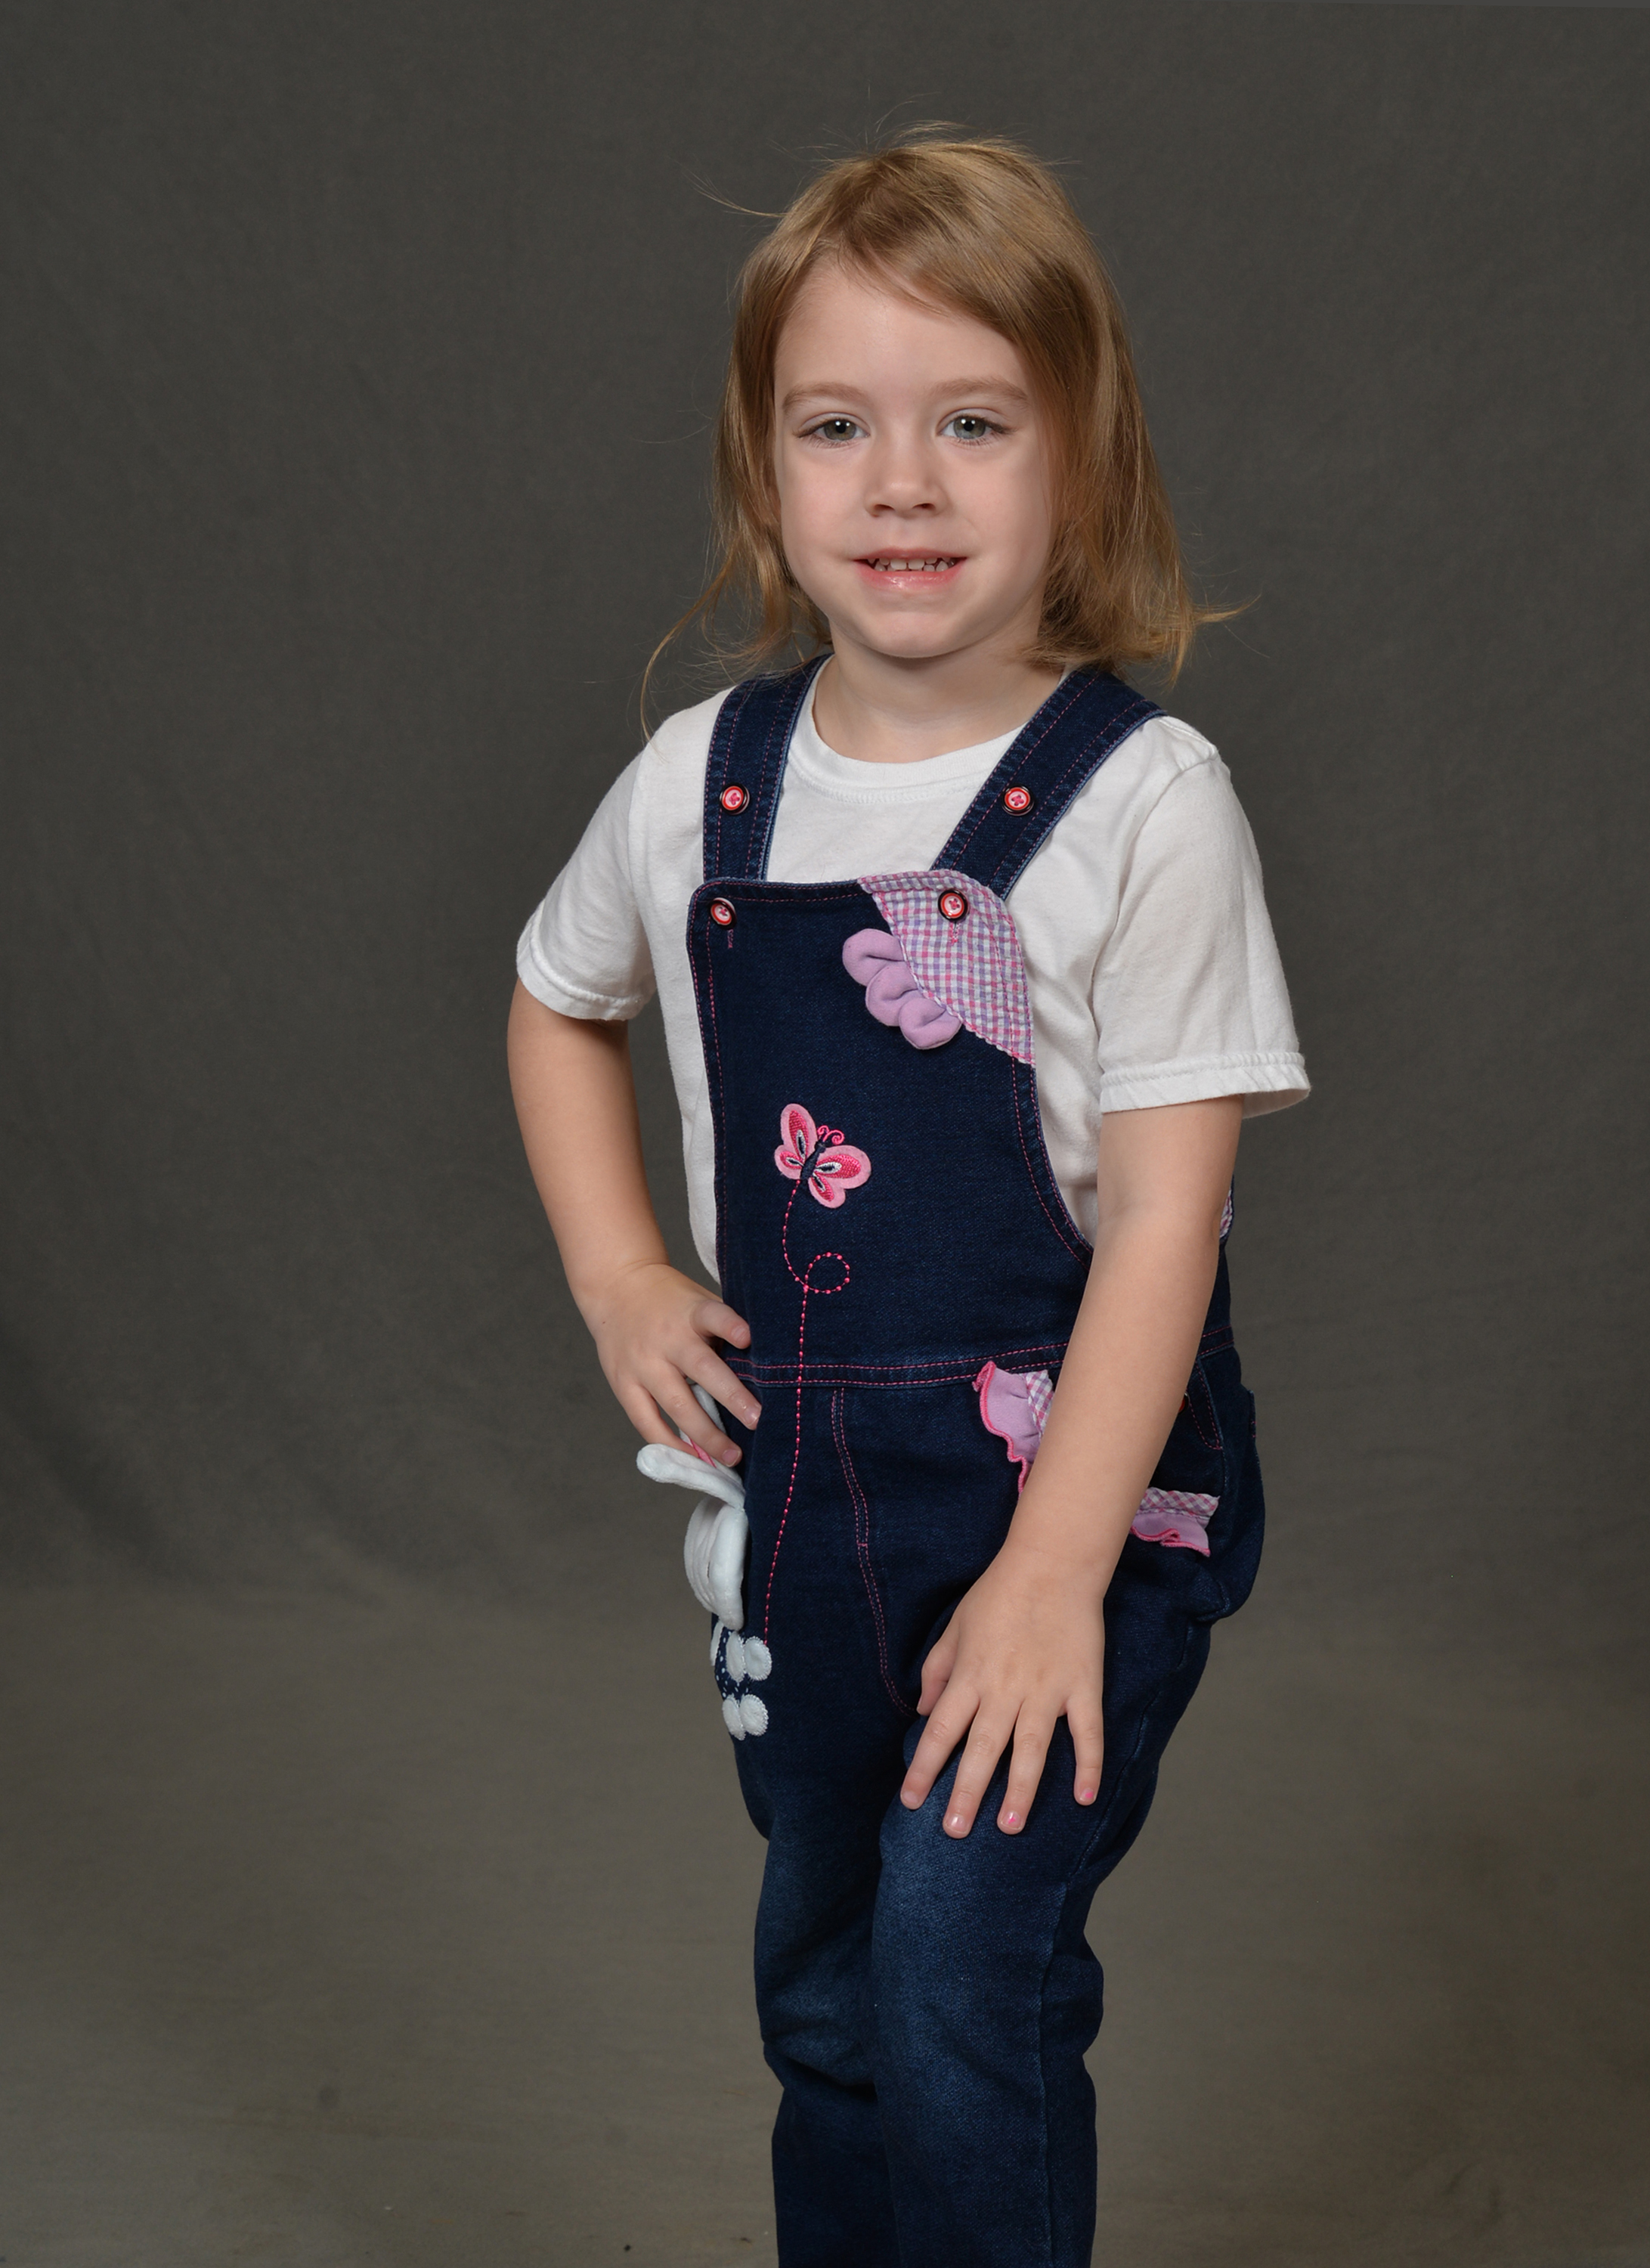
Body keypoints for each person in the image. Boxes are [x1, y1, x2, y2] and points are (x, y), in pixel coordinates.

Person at [507, 135, 1308, 2268]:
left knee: (962, 1962)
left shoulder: (1148, 809)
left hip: (1073, 1497)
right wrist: (619, 1274)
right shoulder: (698, 784)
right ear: (761, 470)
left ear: (1081, 459)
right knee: (835, 1991)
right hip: (808, 1511)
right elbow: (556, 1000)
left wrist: (1051, 1574)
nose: (903, 486)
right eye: (836, 427)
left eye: (973, 424)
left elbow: (1167, 1225)